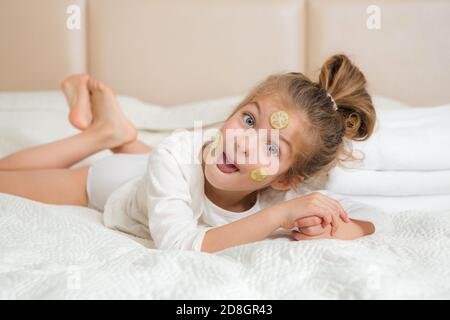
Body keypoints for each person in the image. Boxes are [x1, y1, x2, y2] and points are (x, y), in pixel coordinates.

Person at [0, 54, 392, 253]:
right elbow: (178, 245)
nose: (243, 142)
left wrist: (336, 227)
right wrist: (280, 216)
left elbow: (374, 218)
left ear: (287, 178)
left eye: (272, 146)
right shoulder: (175, 154)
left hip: (164, 171)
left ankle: (120, 132)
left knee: (171, 164)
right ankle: (101, 135)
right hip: (117, 181)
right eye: (249, 120)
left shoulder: (283, 191)